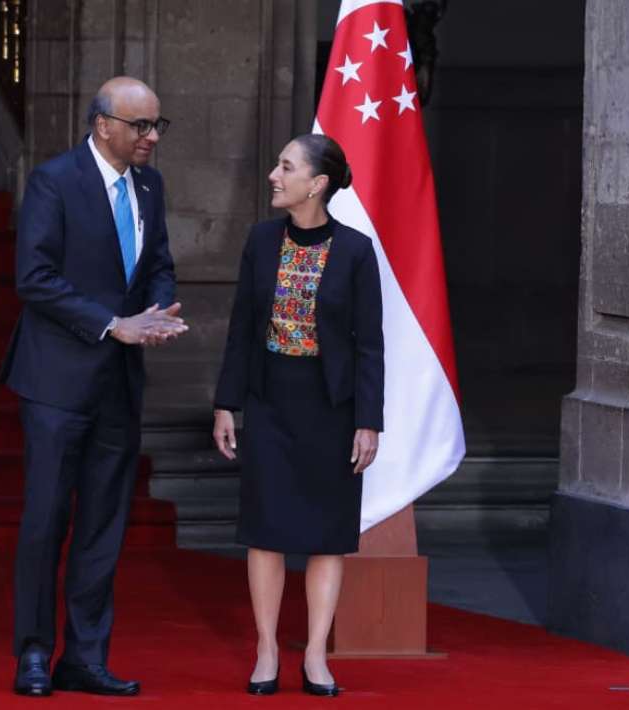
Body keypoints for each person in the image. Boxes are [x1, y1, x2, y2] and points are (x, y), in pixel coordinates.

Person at [0, 76, 187, 697]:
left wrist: (156, 312)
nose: (152, 137)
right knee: (46, 520)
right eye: (141, 126)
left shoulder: (151, 186)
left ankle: (84, 656)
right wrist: (113, 324)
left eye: (158, 126)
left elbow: (158, 261)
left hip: (119, 386)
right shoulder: (55, 181)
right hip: (57, 380)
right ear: (103, 124)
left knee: (104, 524)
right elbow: (34, 277)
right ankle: (32, 653)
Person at [212, 134, 384, 697]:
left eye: (286, 167)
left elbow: (369, 346)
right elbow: (241, 328)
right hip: (269, 401)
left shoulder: (357, 251)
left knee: (326, 536)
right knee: (265, 531)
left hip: (331, 408)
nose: (273, 175)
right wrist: (226, 403)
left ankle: (314, 655)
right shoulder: (261, 241)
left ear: (317, 184)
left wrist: (369, 420)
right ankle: (266, 649)